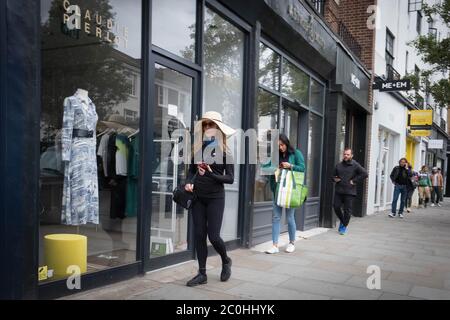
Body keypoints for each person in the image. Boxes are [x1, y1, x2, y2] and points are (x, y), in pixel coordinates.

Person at [184, 111, 236, 287]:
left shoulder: (225, 152)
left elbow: (230, 179)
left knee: (213, 237)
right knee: (199, 235)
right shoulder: (197, 148)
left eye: (211, 125)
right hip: (198, 197)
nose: (207, 128)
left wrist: (211, 173)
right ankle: (202, 273)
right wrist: (189, 183)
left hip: (215, 198)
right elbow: (191, 171)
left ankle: (226, 260)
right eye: (205, 125)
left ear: (218, 129)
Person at [264, 134, 305, 254]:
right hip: (277, 189)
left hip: (290, 191)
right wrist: (274, 167)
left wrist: (290, 166)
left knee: (289, 217)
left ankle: (292, 243)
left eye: (282, 145)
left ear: (286, 143)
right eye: (278, 146)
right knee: (276, 217)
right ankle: (274, 245)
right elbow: (265, 168)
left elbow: (302, 168)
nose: (280, 148)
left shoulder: (296, 153)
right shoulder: (274, 155)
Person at [332, 148, 368, 235]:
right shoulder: (338, 165)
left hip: (350, 192)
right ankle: (343, 221)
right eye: (344, 154)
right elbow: (333, 176)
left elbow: (365, 173)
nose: (346, 156)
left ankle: (344, 226)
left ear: (351, 155)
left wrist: (354, 181)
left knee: (347, 211)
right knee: (336, 206)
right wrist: (335, 179)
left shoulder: (355, 164)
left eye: (348, 154)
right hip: (339, 190)